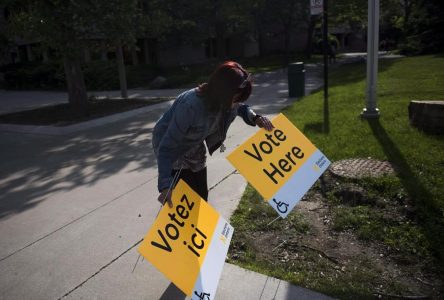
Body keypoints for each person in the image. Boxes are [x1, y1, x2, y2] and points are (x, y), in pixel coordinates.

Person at [152, 61, 274, 207]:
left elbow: (240, 107)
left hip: (194, 142)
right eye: (236, 98)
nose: (236, 103)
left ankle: (200, 222)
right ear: (223, 92)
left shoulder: (226, 100)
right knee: (182, 199)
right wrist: (165, 185)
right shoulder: (190, 105)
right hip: (172, 144)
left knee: (201, 194)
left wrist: (256, 118)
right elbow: (166, 148)